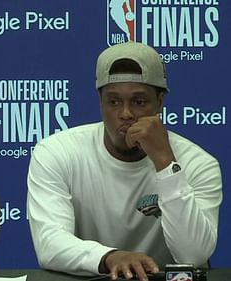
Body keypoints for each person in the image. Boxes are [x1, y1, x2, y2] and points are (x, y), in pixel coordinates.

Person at [27, 42, 222, 281]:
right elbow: (50, 243)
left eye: (139, 102)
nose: (126, 113)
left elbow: (193, 256)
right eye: (114, 102)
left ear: (159, 102)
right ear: (100, 102)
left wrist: (165, 162)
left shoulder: (199, 164)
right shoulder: (57, 152)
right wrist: (110, 257)